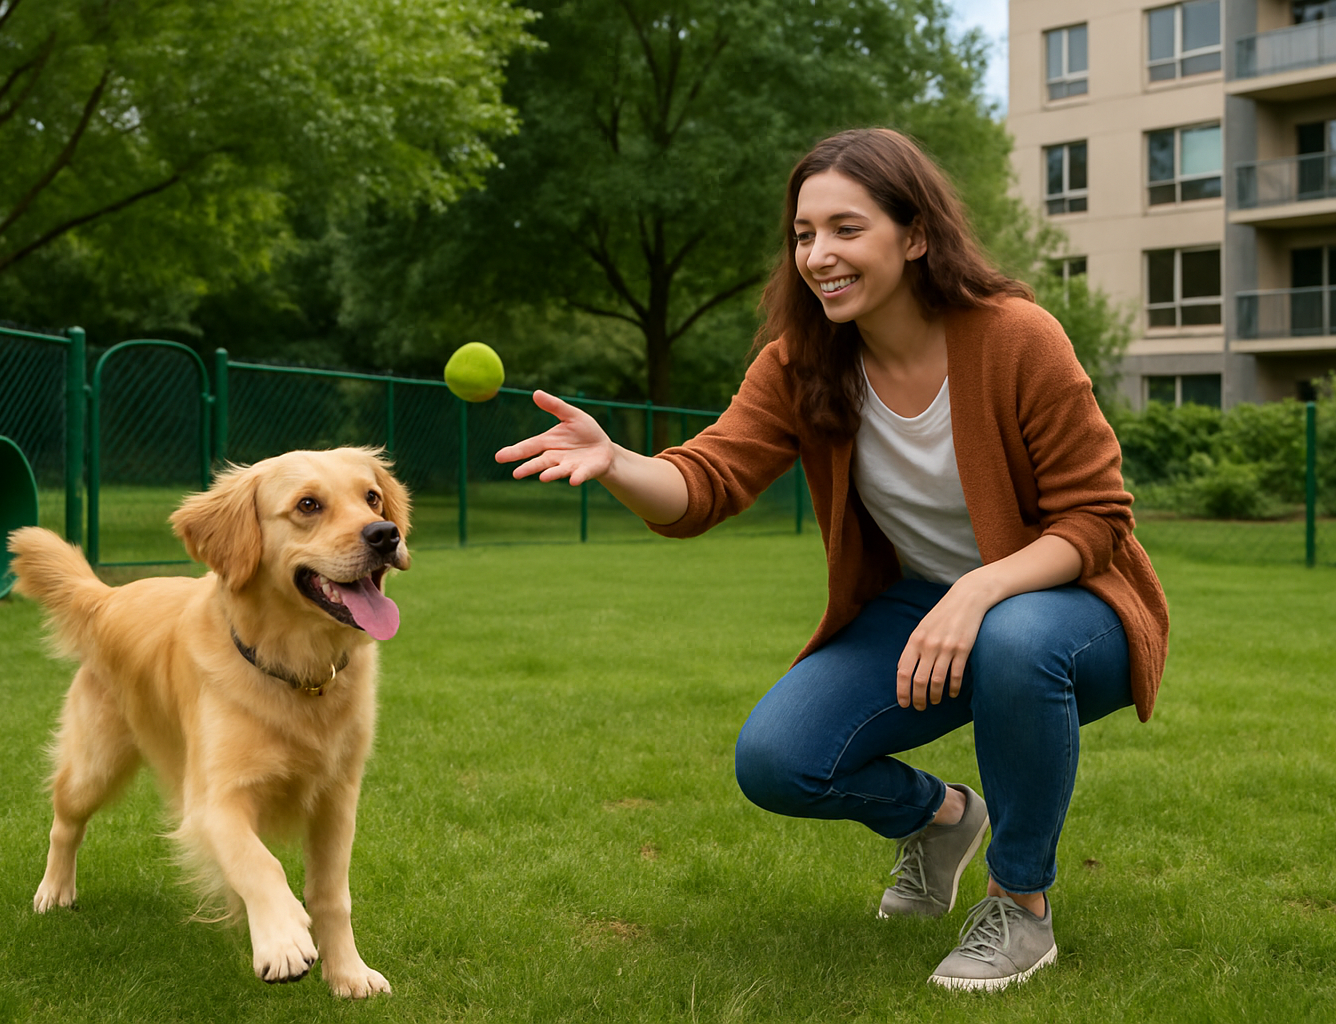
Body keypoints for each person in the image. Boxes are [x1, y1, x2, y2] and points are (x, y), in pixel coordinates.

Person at [496, 127, 1168, 991]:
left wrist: (980, 590)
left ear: (915, 235)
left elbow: (1098, 517)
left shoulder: (1014, 338)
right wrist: (618, 461)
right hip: (922, 608)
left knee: (1017, 634)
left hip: (1072, 615)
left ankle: (1020, 906)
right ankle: (942, 819)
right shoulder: (802, 362)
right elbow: (705, 483)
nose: (819, 255)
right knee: (779, 759)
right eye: (803, 234)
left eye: (846, 229)